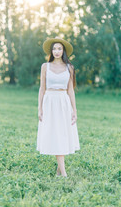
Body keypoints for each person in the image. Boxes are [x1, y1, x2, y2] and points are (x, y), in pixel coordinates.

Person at [36, 36, 80, 177]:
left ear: (63, 51)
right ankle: (63, 173)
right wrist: (40, 108)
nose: (56, 51)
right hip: (49, 101)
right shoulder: (45, 66)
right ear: (51, 51)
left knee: (61, 134)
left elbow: (70, 90)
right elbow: (42, 88)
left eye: (59, 48)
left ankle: (60, 171)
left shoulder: (70, 68)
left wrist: (74, 109)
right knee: (54, 134)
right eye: (54, 48)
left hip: (63, 102)